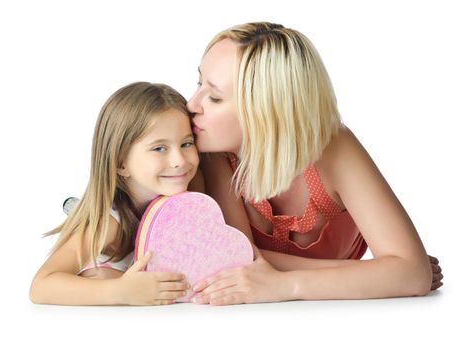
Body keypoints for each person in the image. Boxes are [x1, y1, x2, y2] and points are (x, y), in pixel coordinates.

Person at [186, 22, 443, 305]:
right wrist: (373, 274)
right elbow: (235, 258)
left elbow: (412, 275)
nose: (191, 105)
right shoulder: (213, 153)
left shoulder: (333, 147)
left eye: (214, 96)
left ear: (267, 110)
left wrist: (286, 286)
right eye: (199, 83)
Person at [29, 82, 200, 306]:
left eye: (186, 143)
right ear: (121, 164)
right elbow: (41, 286)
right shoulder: (108, 223)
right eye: (159, 148)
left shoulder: (192, 192)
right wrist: (120, 290)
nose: (180, 161)